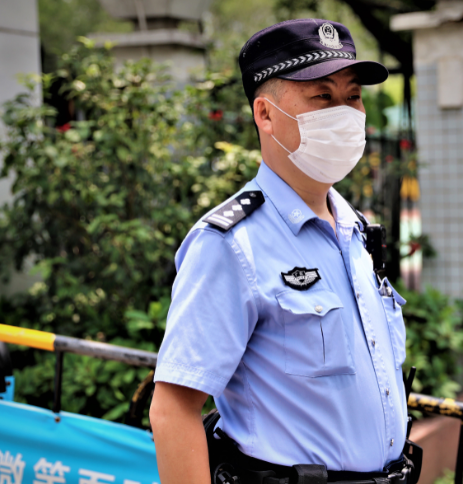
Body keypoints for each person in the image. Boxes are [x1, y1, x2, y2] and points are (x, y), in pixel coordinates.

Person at [149, 19, 416, 484]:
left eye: (353, 96)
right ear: (265, 114)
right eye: (322, 96)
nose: (345, 113)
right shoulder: (231, 245)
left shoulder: (355, 231)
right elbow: (173, 410)